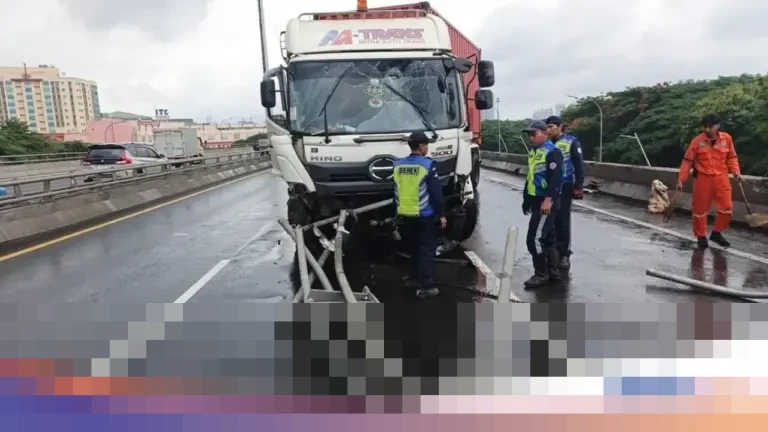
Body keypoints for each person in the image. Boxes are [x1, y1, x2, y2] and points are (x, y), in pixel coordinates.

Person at [393, 131, 447, 298]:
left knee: (414, 249)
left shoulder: (397, 165)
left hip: (404, 214)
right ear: (422, 146)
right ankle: (426, 285)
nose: (427, 148)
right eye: (426, 145)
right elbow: (436, 194)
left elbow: (395, 191)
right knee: (426, 250)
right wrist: (442, 215)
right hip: (424, 215)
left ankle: (414, 278)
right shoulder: (427, 165)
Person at [677, 113, 743, 249]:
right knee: (700, 209)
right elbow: (687, 161)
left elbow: (732, 157)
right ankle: (701, 236)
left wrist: (736, 172)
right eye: (705, 127)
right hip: (703, 178)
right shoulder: (697, 141)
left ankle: (717, 233)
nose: (706, 130)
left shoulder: (727, 139)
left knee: (726, 207)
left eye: (709, 127)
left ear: (717, 126)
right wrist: (681, 180)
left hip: (722, 178)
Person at [521, 120, 564, 288]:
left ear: (545, 133)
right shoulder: (534, 152)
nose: (531, 137)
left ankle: (541, 273)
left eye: (534, 134)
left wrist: (548, 201)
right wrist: (526, 200)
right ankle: (553, 271)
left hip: (546, 203)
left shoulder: (552, 152)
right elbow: (530, 178)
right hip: (536, 200)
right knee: (549, 237)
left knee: (535, 238)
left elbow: (556, 179)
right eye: (529, 135)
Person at [545, 115, 585, 270]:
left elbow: (579, 165)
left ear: (560, 126)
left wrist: (579, 186)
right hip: (548, 188)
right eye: (546, 127)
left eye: (551, 127)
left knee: (562, 221)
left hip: (565, 186)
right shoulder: (546, 144)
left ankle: (564, 255)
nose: (548, 130)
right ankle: (552, 253)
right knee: (549, 222)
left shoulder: (571, 142)